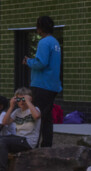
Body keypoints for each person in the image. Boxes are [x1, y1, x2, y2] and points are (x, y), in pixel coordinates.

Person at [0, 87, 41, 171]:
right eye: (18, 99)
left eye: (23, 99)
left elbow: (37, 116)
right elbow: (5, 122)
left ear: (29, 99)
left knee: (3, 141)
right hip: (17, 138)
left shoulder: (35, 109)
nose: (21, 102)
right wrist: (11, 106)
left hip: (28, 141)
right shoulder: (17, 112)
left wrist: (28, 102)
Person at [24, 15, 62, 148]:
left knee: (37, 116)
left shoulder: (44, 42)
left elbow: (41, 63)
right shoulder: (55, 42)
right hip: (53, 85)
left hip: (41, 84)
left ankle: (32, 144)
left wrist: (28, 61)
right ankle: (46, 145)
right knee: (47, 118)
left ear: (39, 28)